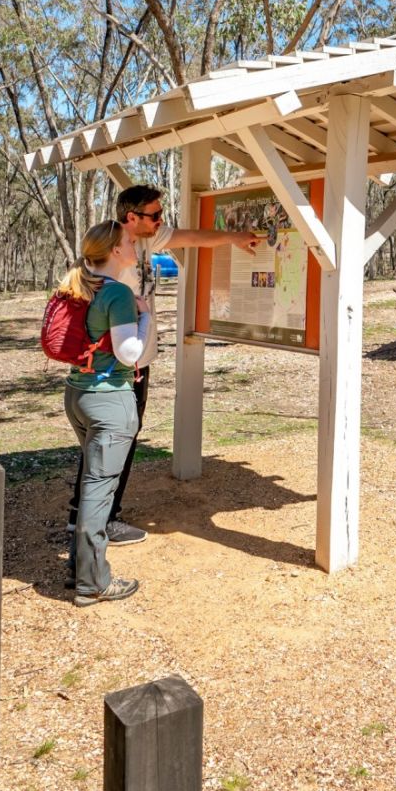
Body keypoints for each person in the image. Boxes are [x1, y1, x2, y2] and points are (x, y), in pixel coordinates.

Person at [66, 183, 260, 548]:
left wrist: (233, 237)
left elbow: (190, 236)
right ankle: (101, 523)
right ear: (131, 218)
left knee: (106, 443)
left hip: (132, 363)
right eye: (154, 216)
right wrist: (140, 322)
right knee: (114, 443)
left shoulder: (141, 241)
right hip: (120, 368)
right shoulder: (116, 253)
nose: (161, 221)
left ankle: (84, 516)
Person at [58, 220, 150, 606]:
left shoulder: (79, 284)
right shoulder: (118, 294)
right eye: (129, 241)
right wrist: (145, 317)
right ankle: (92, 583)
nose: (134, 246)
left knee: (93, 483)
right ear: (114, 251)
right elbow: (130, 352)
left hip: (78, 395)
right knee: (99, 492)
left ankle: (80, 569)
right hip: (109, 401)